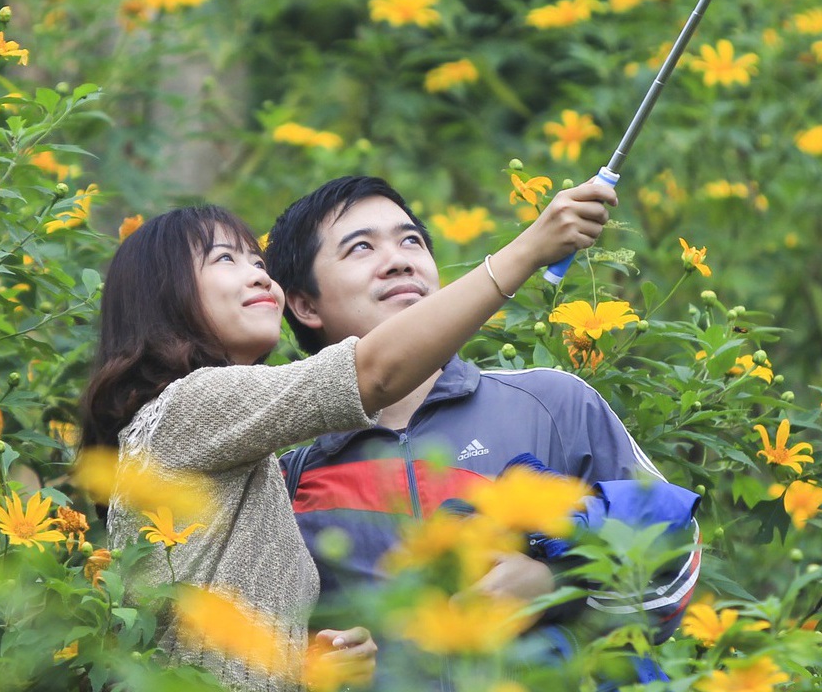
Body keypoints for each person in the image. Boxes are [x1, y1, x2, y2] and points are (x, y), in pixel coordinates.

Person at [77, 188, 615, 692]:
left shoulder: (249, 455)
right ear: (161, 297)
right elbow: (375, 372)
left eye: (260, 263)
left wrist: (311, 659)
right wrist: (529, 249)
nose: (262, 278)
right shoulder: (189, 409)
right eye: (226, 260)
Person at [263, 176, 701, 683]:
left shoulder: (551, 403)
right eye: (361, 247)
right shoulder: (290, 478)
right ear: (306, 305)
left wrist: (551, 583)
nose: (401, 259)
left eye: (411, 241)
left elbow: (679, 558)